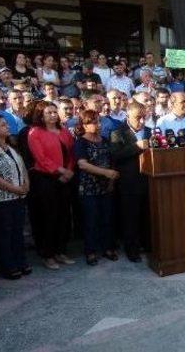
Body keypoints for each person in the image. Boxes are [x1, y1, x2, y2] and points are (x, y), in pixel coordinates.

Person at [27, 101, 75, 270]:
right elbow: (41, 158)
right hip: (45, 179)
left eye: (55, 112)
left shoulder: (64, 131)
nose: (53, 115)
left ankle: (60, 251)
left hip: (64, 179)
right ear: (41, 115)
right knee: (49, 217)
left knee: (64, 216)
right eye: (49, 112)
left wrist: (68, 171)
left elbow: (71, 153)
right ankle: (47, 254)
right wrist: (60, 170)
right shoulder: (35, 133)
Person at [0, 114, 30, 279]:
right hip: (1, 199)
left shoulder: (11, 146)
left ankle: (20, 261)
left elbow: (22, 167)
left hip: (18, 197)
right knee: (4, 233)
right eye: (3, 125)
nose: (7, 127)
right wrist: (15, 189)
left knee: (17, 232)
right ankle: (8, 266)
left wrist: (26, 185)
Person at [74, 109, 120, 266]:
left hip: (106, 187)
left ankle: (108, 248)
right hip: (88, 188)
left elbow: (112, 162)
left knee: (107, 219)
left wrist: (111, 181)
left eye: (98, 121)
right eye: (93, 122)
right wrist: (105, 172)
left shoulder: (105, 140)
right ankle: (91, 251)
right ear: (84, 125)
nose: (98, 125)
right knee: (91, 221)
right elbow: (82, 164)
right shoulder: (81, 142)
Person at [110, 102, 151, 262]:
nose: (141, 121)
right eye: (138, 118)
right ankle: (131, 249)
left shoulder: (148, 131)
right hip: (129, 183)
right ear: (128, 116)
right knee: (130, 218)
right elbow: (116, 154)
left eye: (144, 117)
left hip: (148, 181)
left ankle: (147, 245)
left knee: (146, 216)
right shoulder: (118, 132)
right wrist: (136, 146)